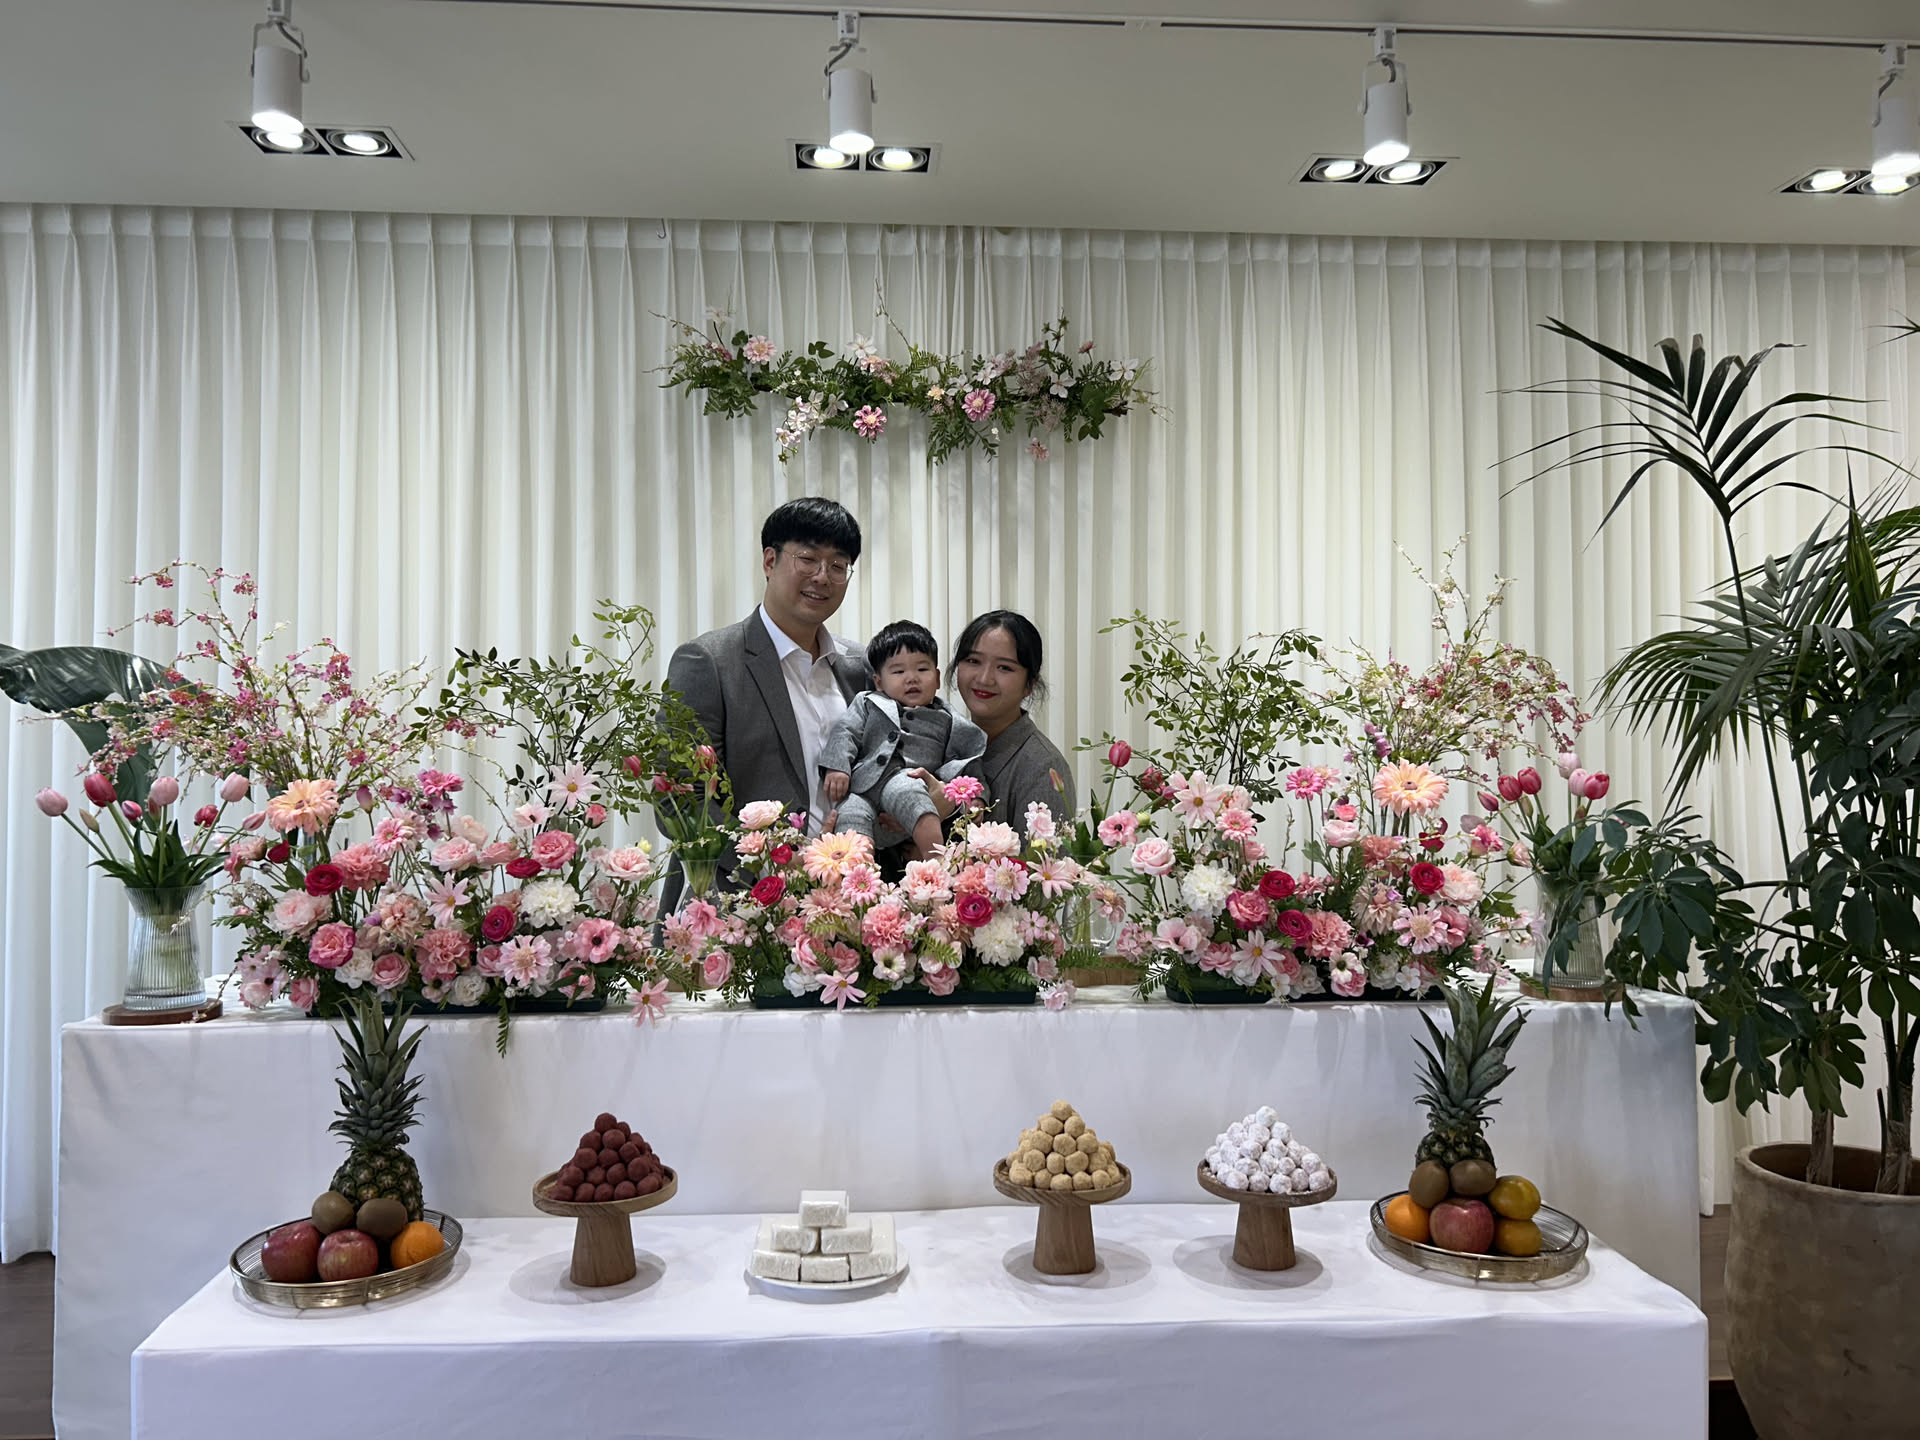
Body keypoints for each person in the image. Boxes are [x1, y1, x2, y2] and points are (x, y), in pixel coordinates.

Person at [664, 498, 871, 883]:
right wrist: (769, 863)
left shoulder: (861, 667)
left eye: (838, 566)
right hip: (741, 897)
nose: (822, 577)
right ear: (770, 561)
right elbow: (680, 800)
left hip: (848, 896)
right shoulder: (708, 661)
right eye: (808, 559)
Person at [819, 621, 988, 857]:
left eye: (922, 669)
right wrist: (838, 766)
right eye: (898, 672)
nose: (911, 678)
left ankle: (935, 861)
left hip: (910, 781)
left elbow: (967, 758)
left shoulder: (948, 718)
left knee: (914, 798)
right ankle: (858, 872)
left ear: (937, 678)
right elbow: (846, 731)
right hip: (862, 787)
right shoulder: (868, 702)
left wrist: (976, 797)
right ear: (879, 682)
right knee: (848, 817)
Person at [937, 609, 1077, 840]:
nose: (984, 678)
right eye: (973, 661)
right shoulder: (945, 741)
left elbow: (1045, 861)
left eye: (1004, 667)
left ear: (1029, 684)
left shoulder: (1042, 767)